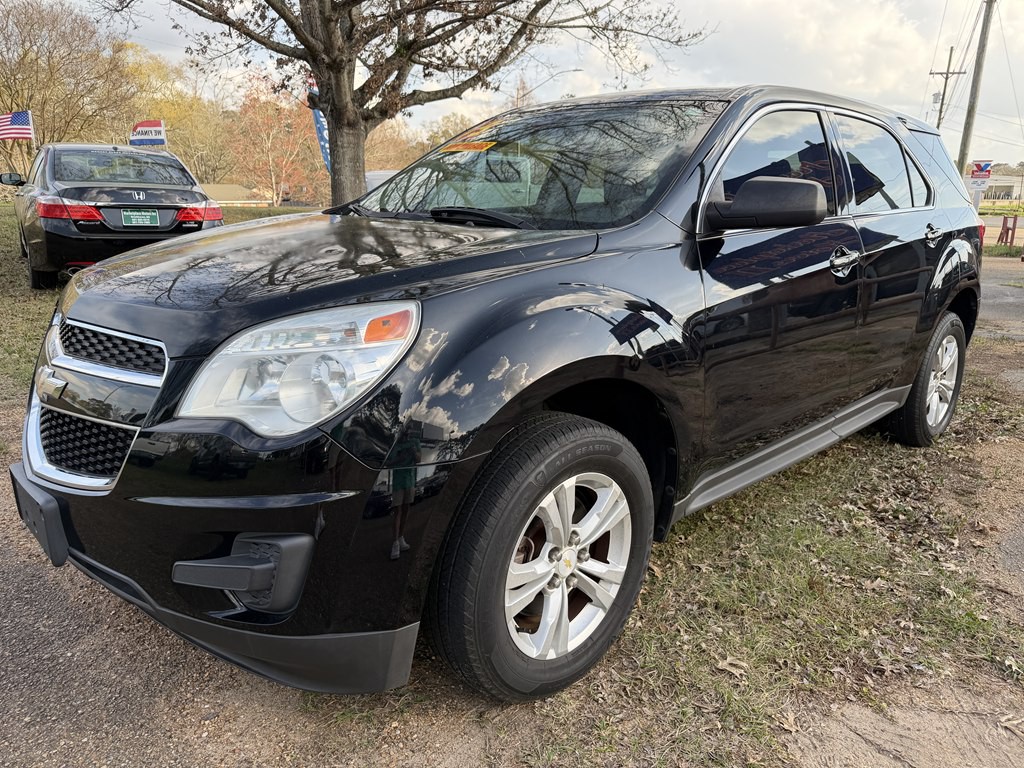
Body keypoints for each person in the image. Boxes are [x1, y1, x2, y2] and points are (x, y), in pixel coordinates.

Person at [390, 426, 421, 560]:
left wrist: (413, 452)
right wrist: (400, 456)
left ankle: (401, 537)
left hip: (410, 480)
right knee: (398, 511)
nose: (407, 434)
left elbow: (419, 459)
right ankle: (395, 542)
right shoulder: (396, 445)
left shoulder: (415, 442)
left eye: (409, 431)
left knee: (406, 510)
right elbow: (389, 463)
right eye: (404, 432)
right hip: (398, 482)